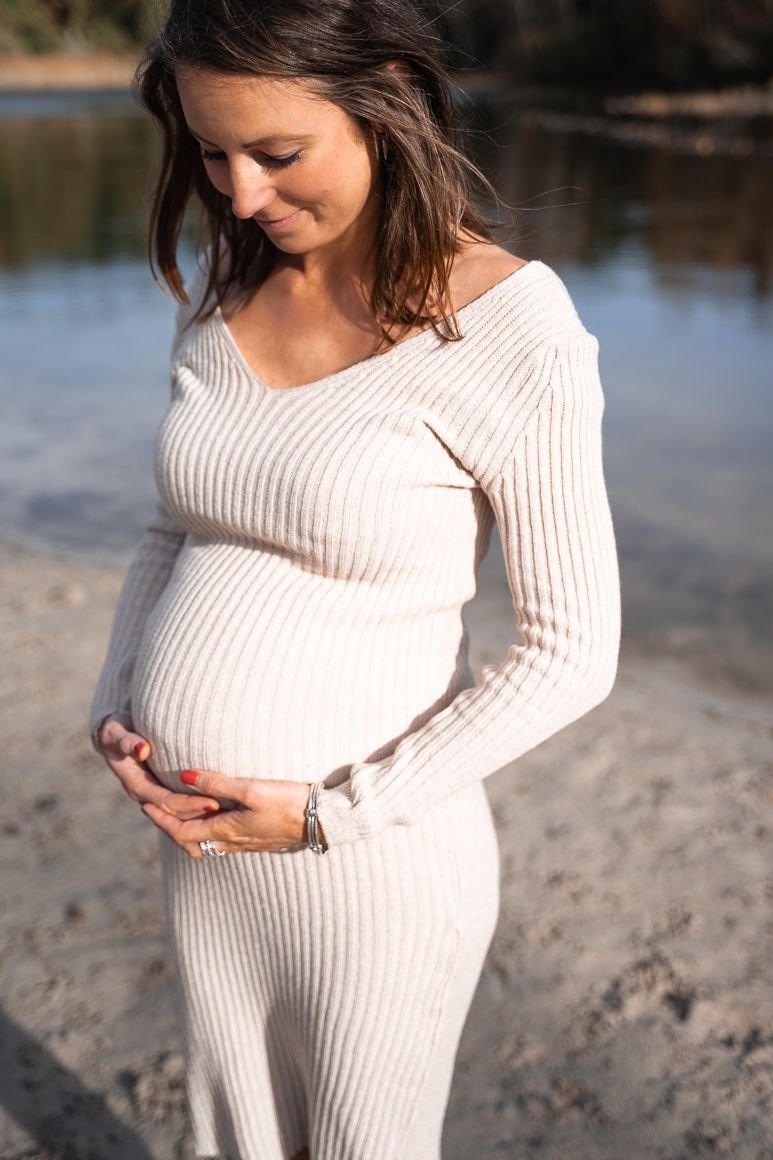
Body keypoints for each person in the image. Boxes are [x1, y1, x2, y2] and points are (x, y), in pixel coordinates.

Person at [88, 1, 622, 1157]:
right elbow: (171, 531)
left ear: (382, 96)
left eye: (277, 154)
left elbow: (569, 650)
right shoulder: (226, 295)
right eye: (209, 152)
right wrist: (114, 707)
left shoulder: (507, 326)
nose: (237, 194)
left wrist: (333, 813)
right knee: (228, 1135)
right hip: (206, 853)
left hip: (370, 866)